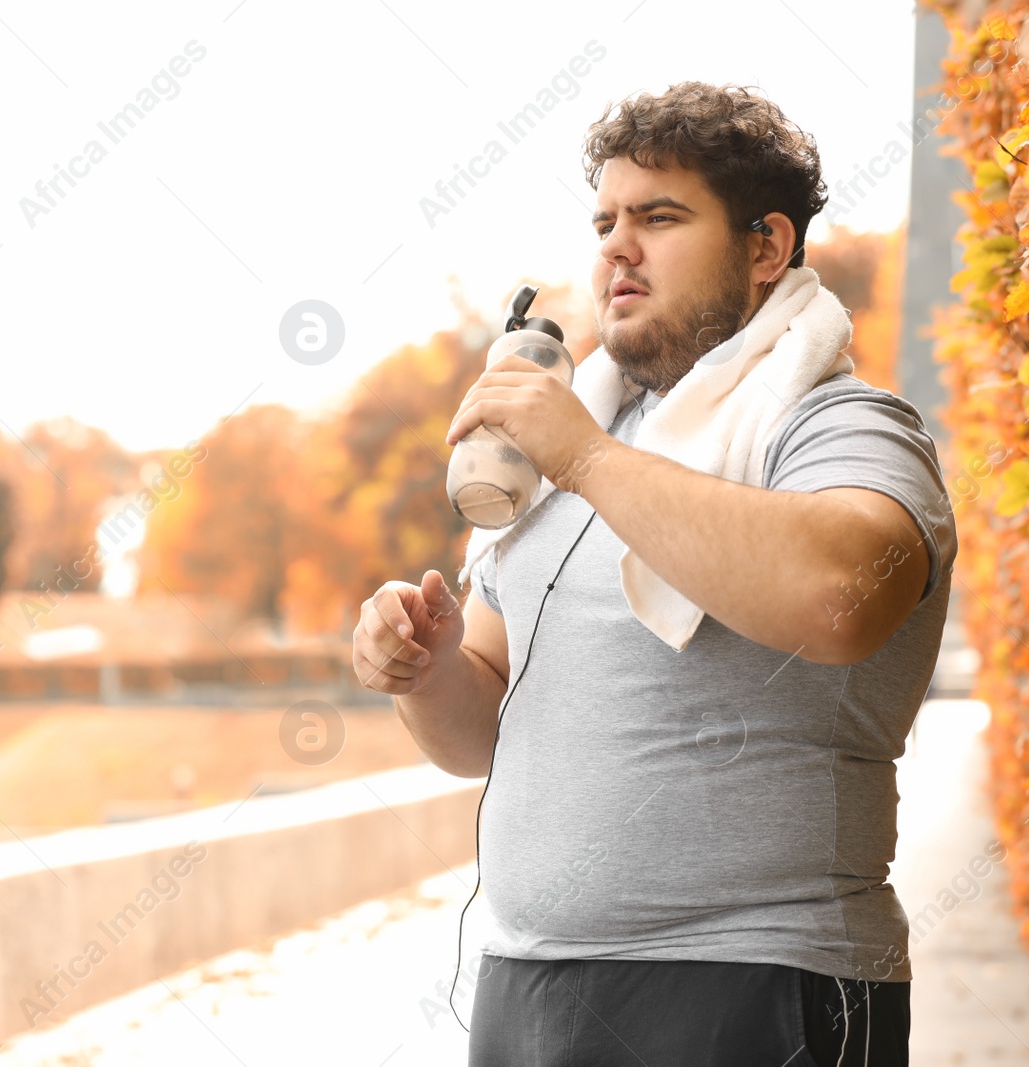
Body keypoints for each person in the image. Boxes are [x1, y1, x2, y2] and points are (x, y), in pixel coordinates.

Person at [353, 81, 958, 1066]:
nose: (615, 247)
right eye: (603, 220)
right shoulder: (574, 440)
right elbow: (482, 728)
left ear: (765, 247)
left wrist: (586, 459)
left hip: (754, 980)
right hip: (531, 985)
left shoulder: (837, 420)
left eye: (658, 217)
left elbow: (841, 597)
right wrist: (422, 671)